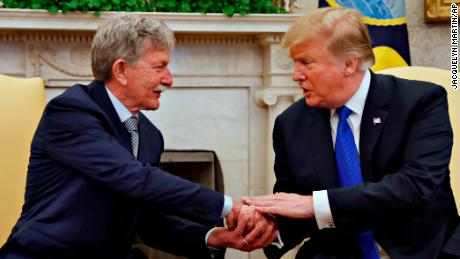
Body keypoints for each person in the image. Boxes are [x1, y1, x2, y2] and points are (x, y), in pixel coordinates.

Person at [0, 14, 276, 259]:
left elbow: (149, 220)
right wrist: (226, 206)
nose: (169, 80)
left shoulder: (149, 135)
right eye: (159, 67)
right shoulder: (71, 111)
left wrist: (214, 236)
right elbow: (133, 177)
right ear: (121, 70)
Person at [243, 7, 460, 259]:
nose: (295, 75)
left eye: (307, 62)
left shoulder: (419, 102)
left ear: (349, 64)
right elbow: (296, 206)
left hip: (422, 250)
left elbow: (415, 186)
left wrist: (316, 204)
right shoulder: (291, 123)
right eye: (294, 63)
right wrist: (265, 227)